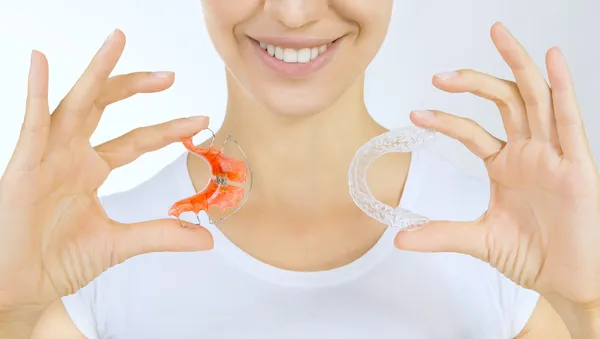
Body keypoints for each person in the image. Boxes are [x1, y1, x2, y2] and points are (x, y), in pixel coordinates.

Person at [0, 1, 598, 338]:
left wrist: (585, 310)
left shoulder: (508, 249)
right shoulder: (92, 257)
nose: (292, 12)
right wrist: (15, 313)